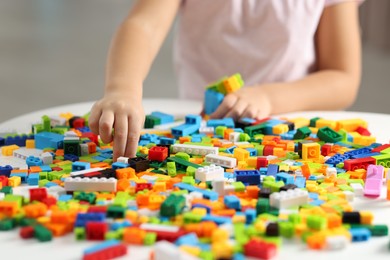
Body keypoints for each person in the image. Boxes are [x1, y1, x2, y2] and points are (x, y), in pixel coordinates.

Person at [89, 0, 363, 160]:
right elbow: (143, 25)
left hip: (293, 131)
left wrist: (268, 97)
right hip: (202, 131)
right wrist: (121, 89)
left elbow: (342, 78)